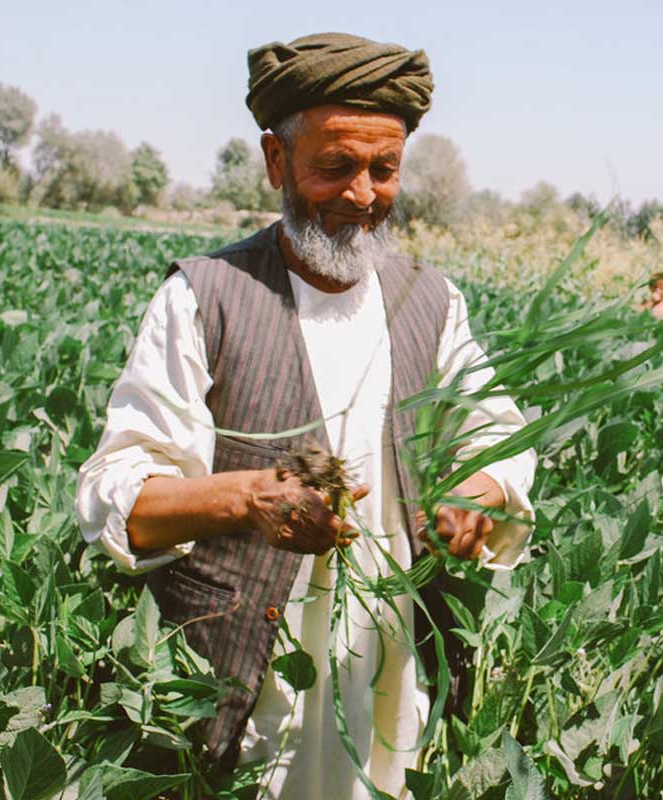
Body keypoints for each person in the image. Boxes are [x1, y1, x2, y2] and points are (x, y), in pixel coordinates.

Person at [75, 33, 536, 798]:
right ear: (275, 161)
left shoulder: (432, 300)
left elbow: (499, 439)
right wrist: (248, 502)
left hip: (387, 677)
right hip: (245, 686)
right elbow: (116, 497)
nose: (362, 194)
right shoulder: (204, 297)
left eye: (383, 170)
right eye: (336, 167)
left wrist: (474, 499)